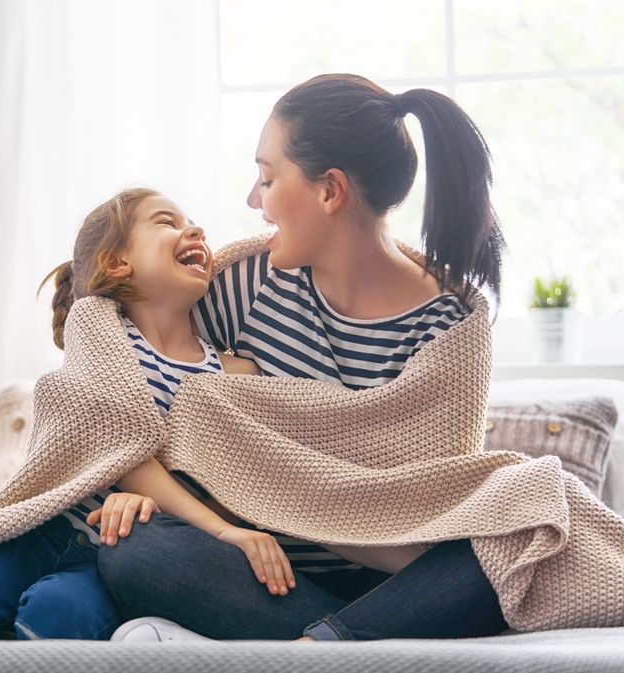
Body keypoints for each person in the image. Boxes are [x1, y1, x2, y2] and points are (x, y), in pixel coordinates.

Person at [98, 74, 511, 641]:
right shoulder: (245, 285)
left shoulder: (451, 327)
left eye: (267, 178)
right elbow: (135, 381)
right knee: (135, 551)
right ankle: (338, 644)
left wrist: (286, 492)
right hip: (265, 576)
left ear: (329, 191)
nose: (252, 199)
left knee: (516, 540)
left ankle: (318, 647)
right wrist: (137, 485)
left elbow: (428, 517)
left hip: (397, 585)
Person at [0, 188, 298, 641]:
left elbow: (243, 479)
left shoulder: (235, 372)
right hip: (43, 532)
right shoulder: (97, 328)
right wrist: (221, 532)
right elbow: (116, 444)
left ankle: (19, 622)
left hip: (113, 554)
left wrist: (169, 521)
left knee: (57, 619)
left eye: (192, 222)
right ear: (117, 263)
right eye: (167, 222)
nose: (195, 230)